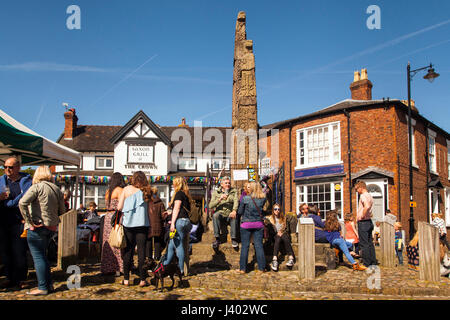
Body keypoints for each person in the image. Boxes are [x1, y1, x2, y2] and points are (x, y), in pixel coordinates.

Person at [18, 165, 65, 295]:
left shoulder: (36, 187)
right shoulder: (57, 189)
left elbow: (22, 203)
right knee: (43, 257)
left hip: (38, 225)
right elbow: (62, 211)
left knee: (39, 257)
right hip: (51, 227)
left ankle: (43, 287)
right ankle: (48, 285)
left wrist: (28, 221)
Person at [0, 157, 32, 290]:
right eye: (5, 167)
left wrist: (11, 202)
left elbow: (26, 197)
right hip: (2, 221)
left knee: (19, 251)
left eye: (11, 167)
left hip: (19, 221)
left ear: (18, 167)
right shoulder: (1, 181)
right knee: (5, 251)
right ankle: (9, 277)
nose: (7, 169)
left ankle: (21, 278)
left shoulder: (25, 181)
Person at [117, 171, 150, 287]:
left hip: (128, 225)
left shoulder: (126, 190)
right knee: (141, 252)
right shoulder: (147, 191)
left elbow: (119, 207)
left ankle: (126, 279)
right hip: (142, 224)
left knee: (128, 251)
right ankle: (142, 279)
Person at [160, 177, 193, 276]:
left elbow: (177, 208)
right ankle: (164, 265)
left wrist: (173, 223)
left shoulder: (179, 194)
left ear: (177, 184)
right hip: (186, 222)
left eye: (174, 184)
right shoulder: (186, 195)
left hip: (179, 222)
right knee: (171, 245)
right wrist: (169, 212)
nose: (173, 186)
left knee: (178, 246)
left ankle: (180, 270)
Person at [237, 181, 266, 273]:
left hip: (246, 224)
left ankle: (243, 269)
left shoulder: (245, 198)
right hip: (258, 224)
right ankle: (261, 268)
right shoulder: (263, 198)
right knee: (259, 246)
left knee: (245, 246)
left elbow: (240, 211)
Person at [100, 172, 125, 276]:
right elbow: (122, 205)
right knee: (118, 240)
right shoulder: (120, 190)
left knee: (108, 241)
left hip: (107, 217)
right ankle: (118, 267)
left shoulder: (108, 191)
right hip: (116, 217)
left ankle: (107, 267)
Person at [208, 176, 239, 250]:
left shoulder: (234, 191)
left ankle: (234, 239)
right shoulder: (216, 193)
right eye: (226, 183)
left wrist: (234, 210)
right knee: (215, 215)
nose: (228, 184)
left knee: (234, 217)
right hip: (220, 213)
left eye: (229, 183)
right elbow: (210, 205)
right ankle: (217, 239)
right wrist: (220, 199)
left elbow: (236, 201)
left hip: (229, 213)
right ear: (222, 184)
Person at [355, 181, 377, 267]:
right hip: (369, 221)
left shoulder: (363, 196)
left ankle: (366, 263)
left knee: (364, 244)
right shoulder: (370, 196)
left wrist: (362, 216)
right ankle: (373, 261)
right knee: (370, 243)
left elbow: (367, 206)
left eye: (357, 189)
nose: (357, 191)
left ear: (361, 187)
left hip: (363, 222)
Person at [268, 203, 295, 271]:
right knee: (277, 238)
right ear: (273, 210)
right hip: (275, 235)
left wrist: (282, 232)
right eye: (275, 209)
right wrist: (277, 233)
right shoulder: (270, 219)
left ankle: (291, 258)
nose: (277, 211)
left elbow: (287, 229)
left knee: (285, 237)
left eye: (278, 209)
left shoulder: (284, 218)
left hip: (283, 234)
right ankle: (275, 260)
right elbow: (270, 230)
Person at [145, 186, 166, 262]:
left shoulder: (147, 202)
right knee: (157, 241)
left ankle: (149, 257)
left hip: (148, 225)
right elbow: (163, 215)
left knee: (149, 241)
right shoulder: (160, 203)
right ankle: (157, 256)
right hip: (158, 225)